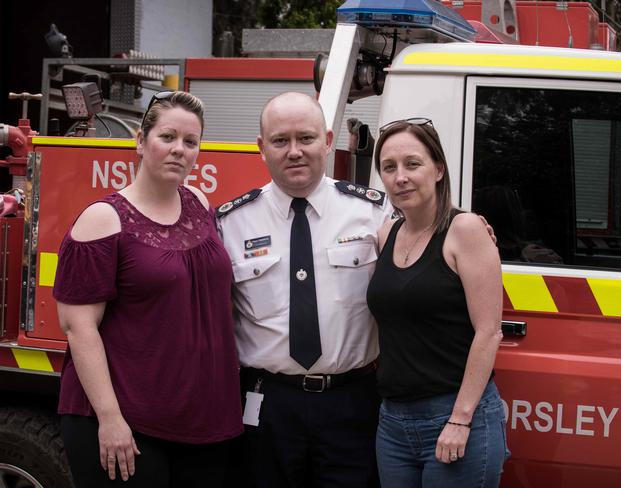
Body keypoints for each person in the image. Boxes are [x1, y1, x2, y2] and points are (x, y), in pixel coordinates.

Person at [53, 91, 242, 488]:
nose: (179, 150)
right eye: (167, 137)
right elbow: (78, 328)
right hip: (129, 423)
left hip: (203, 420)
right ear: (141, 141)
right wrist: (110, 419)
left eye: (190, 142)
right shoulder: (103, 220)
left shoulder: (200, 203)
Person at [217, 92, 390, 487]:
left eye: (306, 138)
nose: (294, 151)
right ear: (261, 148)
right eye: (280, 141)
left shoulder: (374, 212)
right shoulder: (230, 223)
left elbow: (423, 257)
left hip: (352, 400)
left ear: (328, 141)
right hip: (267, 403)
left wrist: (466, 228)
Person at [366, 118, 509, 487]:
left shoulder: (466, 230)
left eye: (413, 164)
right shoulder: (386, 234)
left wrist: (460, 420)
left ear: (439, 169)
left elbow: (489, 332)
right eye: (389, 167)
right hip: (393, 424)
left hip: (455, 418)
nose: (401, 177)